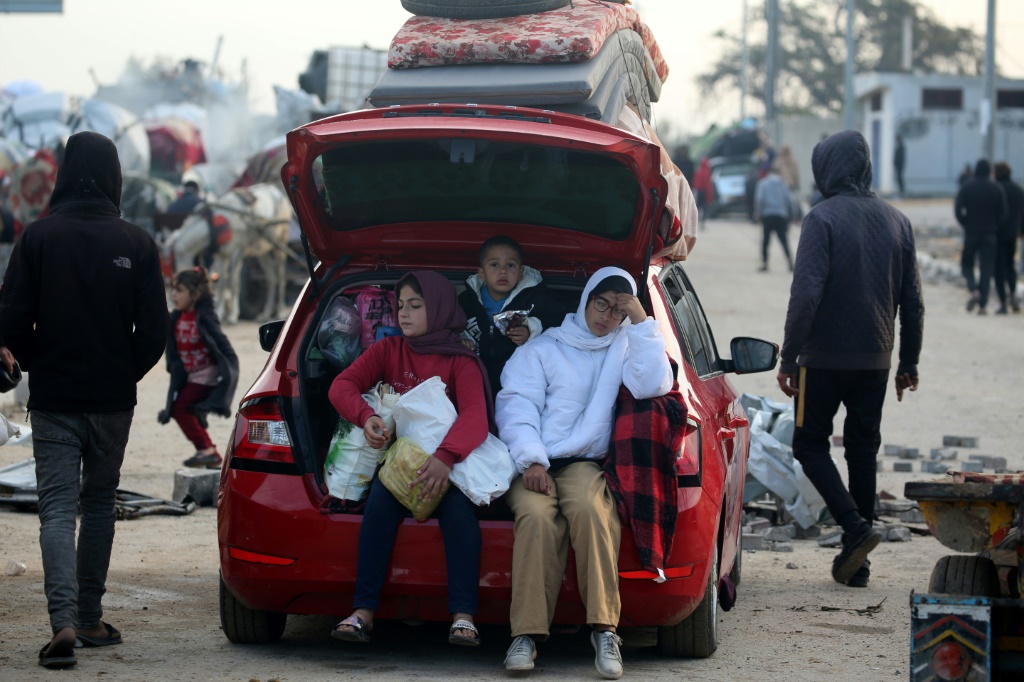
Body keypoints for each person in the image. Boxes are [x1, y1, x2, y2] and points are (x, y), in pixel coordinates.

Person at [0, 131, 168, 668]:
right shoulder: (137, 242)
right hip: (113, 401)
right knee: (98, 504)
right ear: (115, 175)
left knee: (55, 508)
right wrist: (122, 373)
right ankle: (92, 617)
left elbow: (9, 322)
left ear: (65, 173)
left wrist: (37, 360)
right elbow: (154, 333)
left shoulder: (38, 237)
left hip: (54, 398)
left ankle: (63, 624)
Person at [496, 266, 673, 680]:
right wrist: (532, 460)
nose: (607, 316)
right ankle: (525, 635)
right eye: (601, 303)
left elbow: (654, 384)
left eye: (618, 309)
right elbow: (515, 406)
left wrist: (642, 322)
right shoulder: (543, 348)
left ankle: (605, 629)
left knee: (594, 513)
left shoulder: (625, 346)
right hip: (532, 462)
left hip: (584, 464)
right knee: (537, 518)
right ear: (586, 298)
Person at [777, 130, 924, 589]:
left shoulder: (821, 219)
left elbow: (806, 296)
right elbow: (913, 301)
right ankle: (857, 565)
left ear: (826, 169)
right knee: (863, 449)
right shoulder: (898, 221)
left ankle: (854, 527)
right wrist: (908, 364)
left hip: (821, 359)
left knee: (808, 444)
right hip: (876, 360)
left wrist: (788, 358)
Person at [328, 271, 491, 647]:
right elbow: (342, 386)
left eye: (415, 306)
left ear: (437, 308)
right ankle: (362, 613)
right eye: (401, 305)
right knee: (378, 511)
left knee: (460, 518)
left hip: (448, 467)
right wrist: (365, 417)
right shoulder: (389, 350)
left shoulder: (460, 361)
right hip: (399, 466)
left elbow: (475, 418)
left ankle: (463, 616)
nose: (404, 313)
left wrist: (445, 459)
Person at [157, 266, 240, 468]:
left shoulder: (205, 319)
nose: (173, 295)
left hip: (206, 376)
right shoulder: (176, 317)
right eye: (173, 290)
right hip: (189, 375)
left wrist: (228, 371)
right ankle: (209, 454)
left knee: (179, 409)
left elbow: (224, 348)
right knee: (185, 409)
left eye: (179, 290)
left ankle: (206, 449)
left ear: (194, 294)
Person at [458, 235, 552, 398]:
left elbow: (554, 323)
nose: (503, 271)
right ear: (482, 273)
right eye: (494, 265)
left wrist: (530, 329)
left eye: (510, 265)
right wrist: (460, 340)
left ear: (520, 272)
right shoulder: (466, 301)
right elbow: (449, 326)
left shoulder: (534, 299)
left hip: (518, 380)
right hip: (473, 376)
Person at [954, 159, 1008, 314]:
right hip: (990, 235)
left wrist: (966, 223)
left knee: (966, 264)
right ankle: (983, 305)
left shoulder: (967, 187)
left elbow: (958, 211)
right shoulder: (996, 188)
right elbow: (1003, 213)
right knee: (986, 269)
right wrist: (994, 226)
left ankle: (973, 290)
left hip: (971, 233)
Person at [754, 162, 801, 272]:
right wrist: (793, 214)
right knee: (784, 240)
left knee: (766, 240)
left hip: (768, 215)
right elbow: (791, 201)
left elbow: (759, 199)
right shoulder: (783, 184)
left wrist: (758, 213)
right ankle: (790, 263)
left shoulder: (763, 183)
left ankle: (765, 263)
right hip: (781, 215)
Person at [993, 162, 1024, 314]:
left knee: (998, 269)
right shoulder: (1018, 190)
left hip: (996, 234)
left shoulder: (995, 189)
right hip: (1013, 234)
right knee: (1011, 266)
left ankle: (1003, 303)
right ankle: (1013, 294)